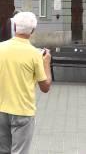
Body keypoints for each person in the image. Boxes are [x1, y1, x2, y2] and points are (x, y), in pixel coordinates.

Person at [0, 12, 52, 153]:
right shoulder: (35, 54)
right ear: (33, 30)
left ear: (15, 26)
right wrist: (46, 63)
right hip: (22, 111)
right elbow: (45, 87)